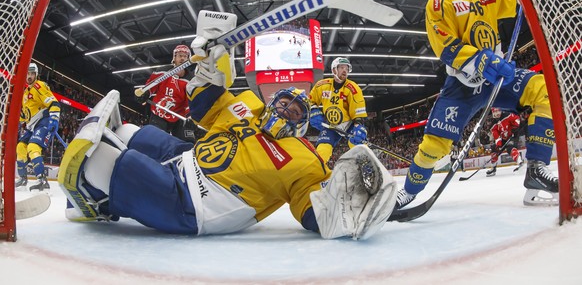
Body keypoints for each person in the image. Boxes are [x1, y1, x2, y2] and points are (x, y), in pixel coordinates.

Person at [58, 14, 398, 240]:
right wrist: (209, 68)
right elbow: (203, 105)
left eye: (295, 112)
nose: (286, 110)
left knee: (103, 158)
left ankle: (95, 201)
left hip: (197, 204)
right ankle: (105, 190)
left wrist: (350, 209)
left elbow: (313, 213)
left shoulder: (307, 161)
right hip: (186, 159)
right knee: (129, 132)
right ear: (271, 101)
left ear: (302, 125)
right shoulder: (248, 104)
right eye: (282, 103)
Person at [395, 0, 558, 208]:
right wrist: (480, 60)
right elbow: (444, 45)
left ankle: (537, 169)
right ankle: (409, 192)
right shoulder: (439, 1)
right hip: (463, 84)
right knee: (435, 145)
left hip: (498, 78)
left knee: (541, 89)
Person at [308, 57, 368, 163]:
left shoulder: (353, 88)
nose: (345, 70)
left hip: (349, 125)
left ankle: (367, 171)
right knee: (322, 149)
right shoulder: (322, 86)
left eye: (347, 68)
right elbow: (310, 101)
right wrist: (313, 111)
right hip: (330, 125)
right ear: (334, 70)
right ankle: (317, 174)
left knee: (358, 146)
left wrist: (359, 126)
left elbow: (359, 112)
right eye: (342, 67)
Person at [135, 44, 196, 143]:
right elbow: (150, 87)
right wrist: (144, 94)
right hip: (159, 113)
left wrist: (190, 116)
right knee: (156, 140)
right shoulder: (162, 72)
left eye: (185, 56)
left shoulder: (191, 80)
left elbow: (190, 101)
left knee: (187, 142)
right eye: (180, 55)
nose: (183, 58)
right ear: (174, 57)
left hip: (179, 116)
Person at [16, 63, 61, 191]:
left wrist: (54, 119)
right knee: (20, 147)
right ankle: (23, 178)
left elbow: (54, 103)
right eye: (27, 74)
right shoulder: (25, 93)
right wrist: (19, 120)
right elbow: (25, 115)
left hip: (43, 121)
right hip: (32, 125)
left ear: (36, 74)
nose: (29, 76)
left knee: (33, 146)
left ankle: (42, 180)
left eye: (32, 74)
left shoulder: (39, 86)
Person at [486, 108, 528, 176]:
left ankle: (520, 163)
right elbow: (496, 136)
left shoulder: (507, 115)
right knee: (494, 149)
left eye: (498, 111)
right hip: (504, 138)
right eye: (495, 112)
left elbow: (516, 118)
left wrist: (515, 127)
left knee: (510, 148)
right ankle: (493, 168)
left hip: (513, 135)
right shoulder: (493, 124)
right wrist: (498, 145)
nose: (497, 114)